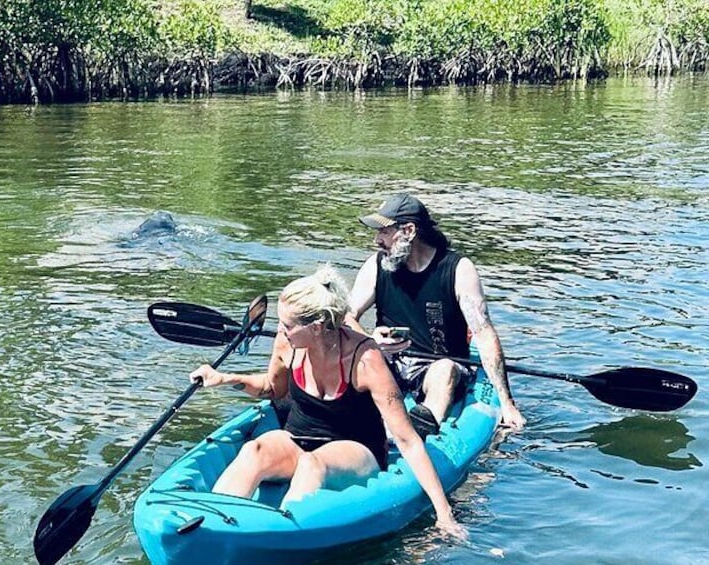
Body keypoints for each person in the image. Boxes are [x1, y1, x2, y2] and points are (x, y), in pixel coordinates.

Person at [190, 266, 466, 537]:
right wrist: (224, 378)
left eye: (288, 325)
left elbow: (408, 441)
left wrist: (444, 513)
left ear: (318, 327)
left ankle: (281, 537)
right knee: (255, 449)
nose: (281, 331)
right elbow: (272, 388)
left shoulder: (365, 359)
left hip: (358, 450)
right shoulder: (287, 344)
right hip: (299, 437)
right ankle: (212, 531)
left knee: (314, 464)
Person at [348, 193, 526, 435]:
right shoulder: (376, 265)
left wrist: (507, 403)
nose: (377, 240)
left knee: (445, 369)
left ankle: (420, 432)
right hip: (389, 362)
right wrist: (370, 341)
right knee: (360, 357)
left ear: (409, 230)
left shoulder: (458, 269)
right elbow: (347, 317)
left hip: (439, 367)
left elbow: (483, 335)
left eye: (384, 232)